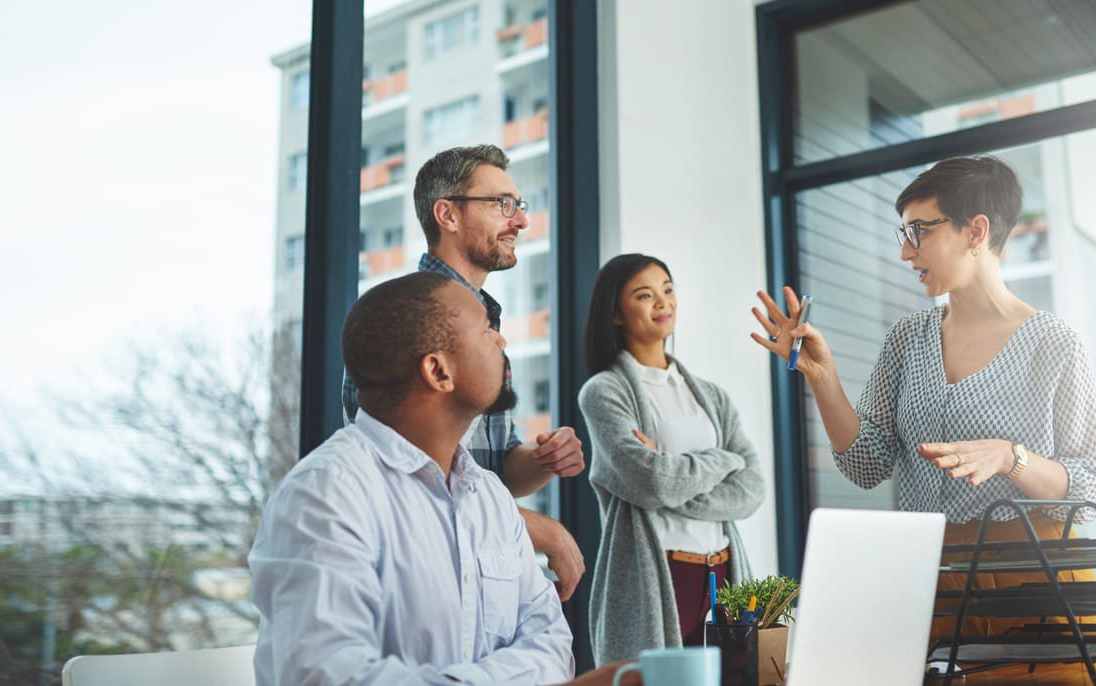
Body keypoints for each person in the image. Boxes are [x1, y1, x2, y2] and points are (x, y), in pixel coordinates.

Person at [749, 156, 1096, 653]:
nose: (904, 251)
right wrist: (822, 376)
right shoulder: (906, 338)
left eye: (918, 231)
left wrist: (1011, 457)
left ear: (975, 231)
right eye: (903, 233)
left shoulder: (1055, 343)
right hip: (930, 579)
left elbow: (1093, 485)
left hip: (1036, 574)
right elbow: (865, 464)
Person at [250, 272, 637, 686]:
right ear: (439, 372)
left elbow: (553, 643)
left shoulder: (488, 495)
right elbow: (330, 677)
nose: (501, 341)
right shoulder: (325, 494)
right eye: (487, 330)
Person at [342, 144, 587, 601]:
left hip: (483, 570)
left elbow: (496, 469)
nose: (521, 221)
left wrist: (542, 460)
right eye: (502, 204)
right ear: (448, 215)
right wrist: (539, 529)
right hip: (424, 581)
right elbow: (408, 484)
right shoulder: (401, 319)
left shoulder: (487, 325)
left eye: (520, 205)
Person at [578, 254, 766, 664]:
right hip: (660, 574)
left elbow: (752, 491)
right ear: (614, 313)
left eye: (667, 289)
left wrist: (672, 471)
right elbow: (653, 483)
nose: (663, 302)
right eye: (645, 295)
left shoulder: (712, 396)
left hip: (723, 572)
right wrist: (723, 460)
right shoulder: (604, 392)